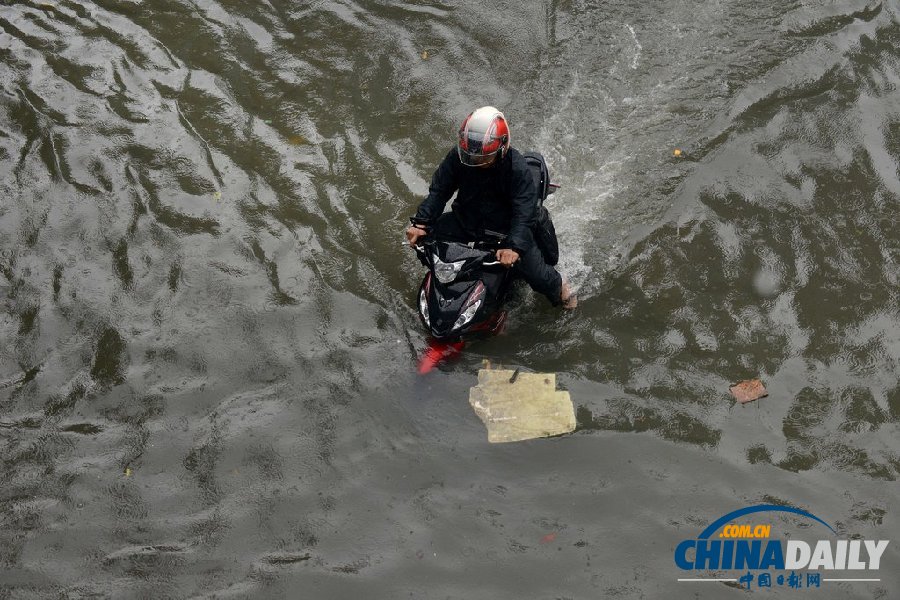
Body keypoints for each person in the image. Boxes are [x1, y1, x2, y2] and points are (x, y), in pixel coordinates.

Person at [406, 106, 576, 309]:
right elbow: (439, 192)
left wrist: (513, 247)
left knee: (538, 276)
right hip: (467, 220)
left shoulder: (517, 169)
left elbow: (524, 215)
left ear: (502, 148)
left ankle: (563, 291)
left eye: (483, 156)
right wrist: (422, 223)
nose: (475, 159)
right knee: (429, 242)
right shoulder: (458, 157)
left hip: (506, 230)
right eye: (470, 154)